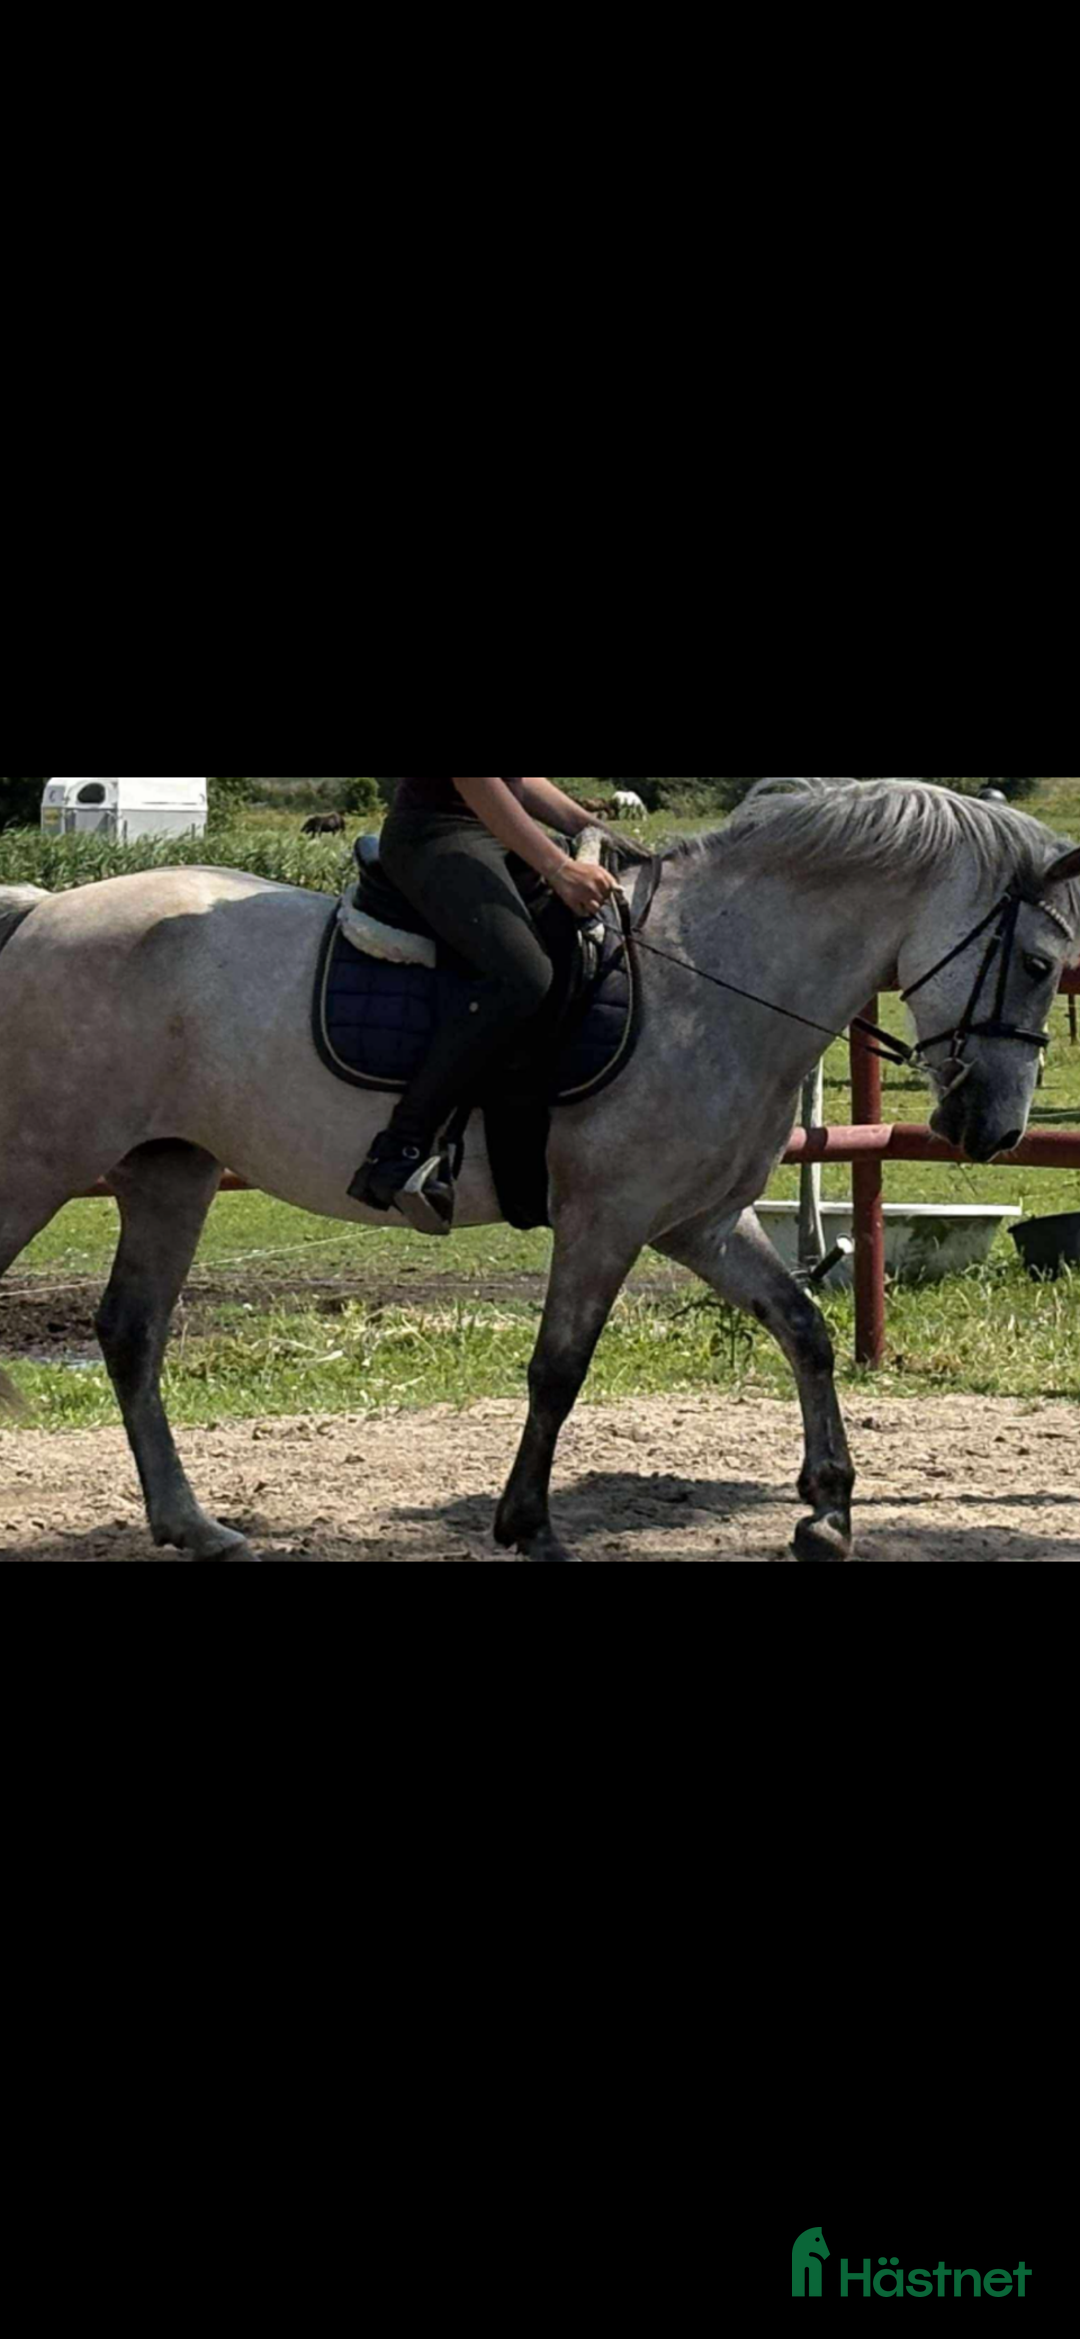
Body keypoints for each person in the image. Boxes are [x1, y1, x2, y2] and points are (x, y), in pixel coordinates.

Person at [349, 777, 620, 1230]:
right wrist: (558, 868)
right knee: (521, 977)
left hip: (498, 835)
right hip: (437, 835)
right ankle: (402, 1147)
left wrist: (588, 825)